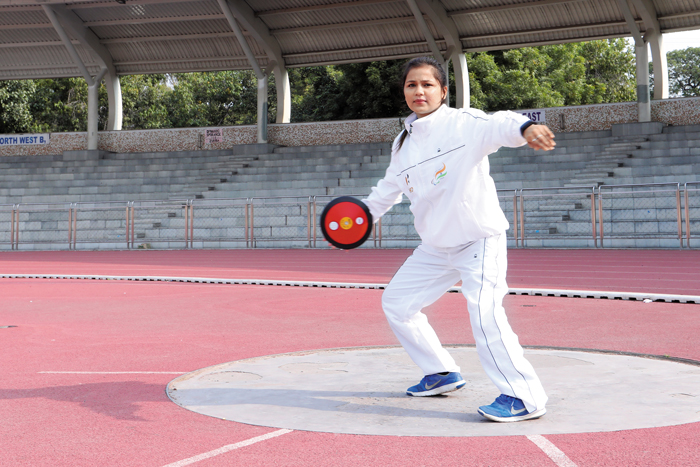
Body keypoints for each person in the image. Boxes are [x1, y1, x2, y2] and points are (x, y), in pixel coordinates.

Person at [362, 56, 555, 422]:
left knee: (484, 313)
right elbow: (387, 189)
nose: (419, 91)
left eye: (427, 84)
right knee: (398, 303)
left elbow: (501, 123)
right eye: (411, 85)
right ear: (404, 92)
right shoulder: (402, 144)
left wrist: (525, 128)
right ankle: (441, 372)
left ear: (443, 91)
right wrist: (358, 217)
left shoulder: (464, 124)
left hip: (478, 239)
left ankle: (523, 396)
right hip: (435, 246)